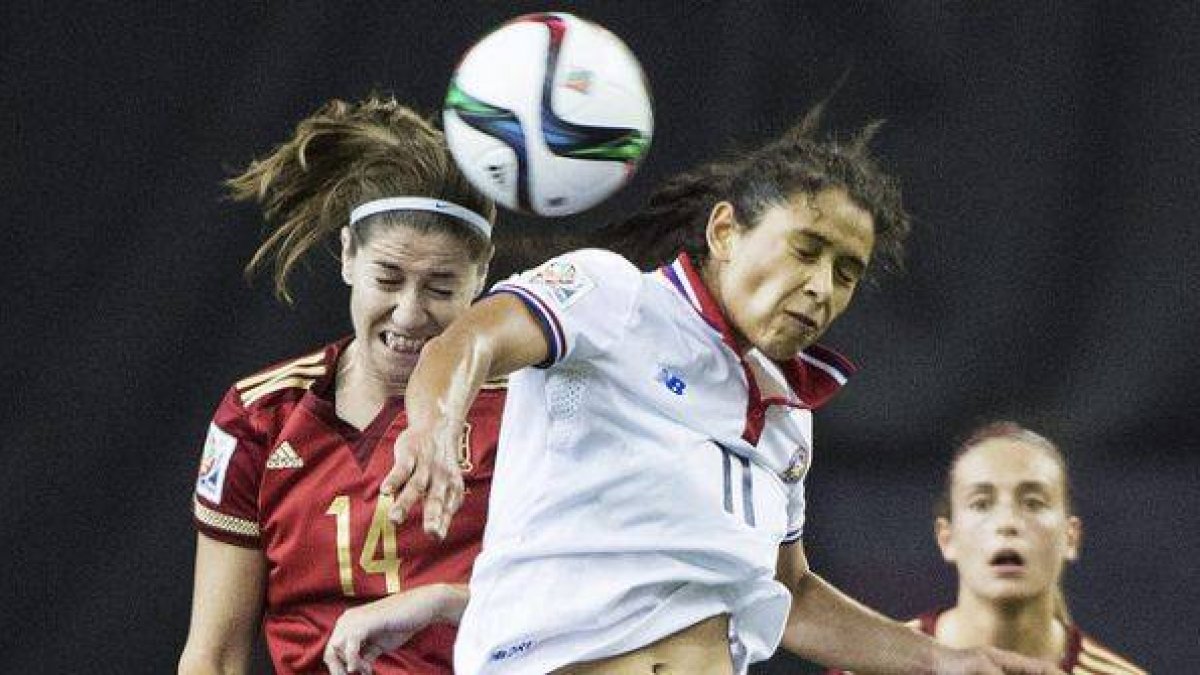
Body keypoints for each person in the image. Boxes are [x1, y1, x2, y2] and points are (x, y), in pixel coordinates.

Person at [366, 109, 1068, 674]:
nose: (822, 287)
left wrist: (947, 660)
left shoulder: (788, 415)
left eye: (847, 271)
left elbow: (789, 593)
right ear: (726, 230)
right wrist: (435, 420)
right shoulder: (617, 298)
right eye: (806, 249)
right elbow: (470, 341)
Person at [177, 95, 504, 675]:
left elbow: (581, 614)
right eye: (388, 277)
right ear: (349, 256)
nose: (408, 313)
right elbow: (215, 654)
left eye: (440, 287)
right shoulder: (261, 416)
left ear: (481, 275)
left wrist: (444, 604)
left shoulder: (522, 411)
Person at [829, 422, 1146, 675]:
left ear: (1070, 536)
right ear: (946, 538)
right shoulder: (871, 669)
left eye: (1033, 503)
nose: (1007, 522)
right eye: (981, 504)